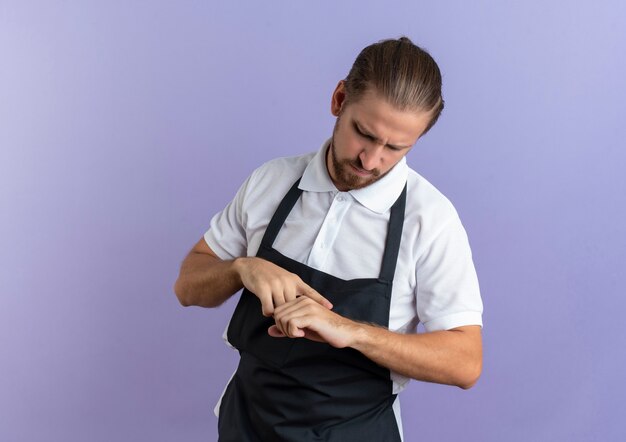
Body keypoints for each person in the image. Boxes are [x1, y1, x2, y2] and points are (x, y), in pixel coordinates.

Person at [174, 36, 484, 441]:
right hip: (245, 424)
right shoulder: (272, 181)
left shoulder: (431, 221)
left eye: (396, 148)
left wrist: (350, 330)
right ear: (339, 99)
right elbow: (187, 286)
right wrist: (241, 268)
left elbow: (465, 363)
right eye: (364, 134)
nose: (371, 161)